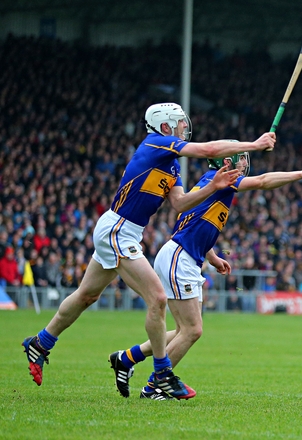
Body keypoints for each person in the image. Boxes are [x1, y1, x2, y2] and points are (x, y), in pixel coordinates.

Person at [22, 103, 275, 400]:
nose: (184, 128)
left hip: (124, 232)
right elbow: (207, 151)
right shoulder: (156, 143)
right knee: (157, 298)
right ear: (165, 126)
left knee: (87, 295)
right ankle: (163, 373)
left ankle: (40, 342)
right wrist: (255, 145)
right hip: (118, 228)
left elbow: (180, 204)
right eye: (179, 123)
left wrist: (213, 186)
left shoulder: (171, 165)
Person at [109, 143, 302, 399]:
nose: (245, 164)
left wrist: (212, 256)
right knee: (193, 330)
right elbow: (263, 181)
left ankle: (127, 358)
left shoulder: (212, 182)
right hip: (180, 257)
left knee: (181, 330)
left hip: (183, 255)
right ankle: (156, 385)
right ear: (227, 163)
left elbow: (189, 222)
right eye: (241, 159)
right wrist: (301, 173)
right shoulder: (220, 180)